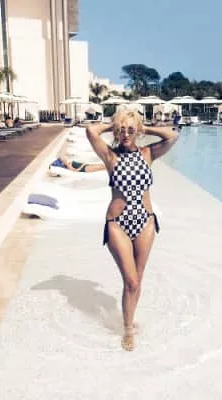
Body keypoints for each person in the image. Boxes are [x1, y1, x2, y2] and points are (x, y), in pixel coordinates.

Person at [86, 110, 178, 351]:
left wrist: (143, 127)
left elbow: (172, 136)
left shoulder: (148, 153)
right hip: (118, 223)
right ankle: (128, 329)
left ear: (137, 131)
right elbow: (91, 131)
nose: (126, 134)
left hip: (145, 222)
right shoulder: (110, 155)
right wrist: (115, 124)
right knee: (131, 281)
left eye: (130, 130)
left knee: (137, 281)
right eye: (122, 130)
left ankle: (129, 317)